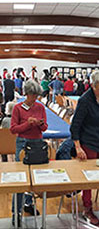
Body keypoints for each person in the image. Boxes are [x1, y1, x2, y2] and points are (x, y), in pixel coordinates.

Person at [70, 70, 99, 227]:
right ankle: (87, 209)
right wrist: (78, 147)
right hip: (87, 142)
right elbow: (75, 126)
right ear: (92, 86)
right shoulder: (84, 100)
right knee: (89, 177)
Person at [10, 80, 47, 222]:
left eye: (37, 95)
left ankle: (28, 203)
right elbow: (14, 129)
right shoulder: (18, 108)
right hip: (23, 144)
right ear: (26, 94)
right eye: (32, 95)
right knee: (21, 179)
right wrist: (28, 123)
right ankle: (16, 212)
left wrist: (41, 124)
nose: (35, 98)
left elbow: (44, 128)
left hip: (37, 143)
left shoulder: (40, 107)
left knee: (35, 177)